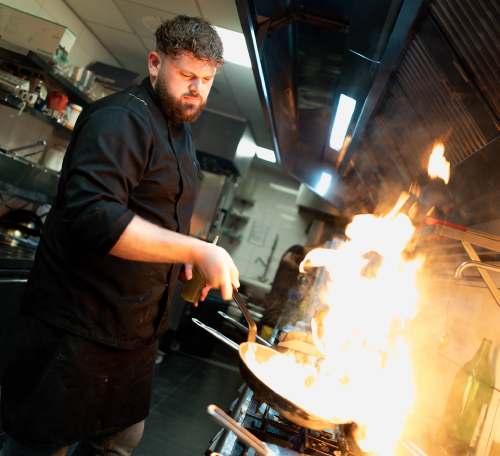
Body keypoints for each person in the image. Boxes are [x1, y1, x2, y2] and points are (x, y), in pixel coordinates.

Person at [0, 15, 239, 456]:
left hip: (133, 337)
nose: (197, 89)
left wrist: (180, 256)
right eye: (186, 74)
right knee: (40, 447)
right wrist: (195, 247)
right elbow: (96, 216)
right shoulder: (119, 119)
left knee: (116, 445)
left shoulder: (183, 138)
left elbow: (156, 217)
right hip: (76, 329)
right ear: (154, 63)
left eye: (206, 80)